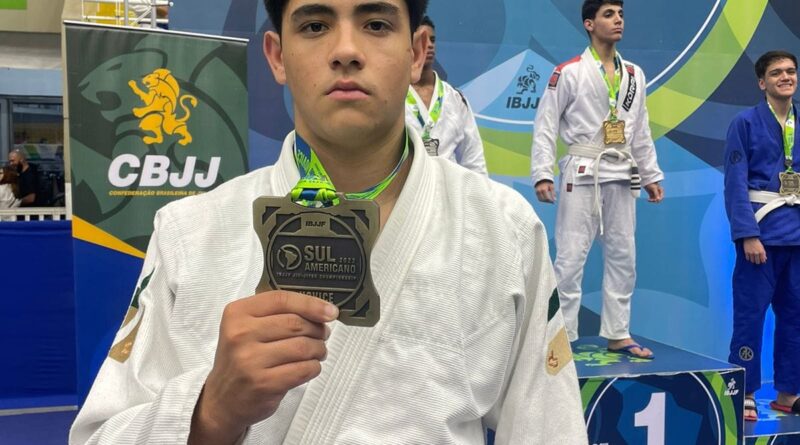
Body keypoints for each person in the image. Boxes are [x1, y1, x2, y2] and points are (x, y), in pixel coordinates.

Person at [70, 0, 587, 444]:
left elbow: (550, 428)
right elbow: (100, 435)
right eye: (315, 25)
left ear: (416, 53)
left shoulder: (502, 230)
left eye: (376, 24)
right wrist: (210, 412)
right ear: (277, 56)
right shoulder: (192, 230)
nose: (346, 50)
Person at [530, 0, 664, 359]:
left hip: (622, 172)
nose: (618, 20)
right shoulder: (568, 72)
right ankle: (561, 336)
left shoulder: (634, 74)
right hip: (583, 171)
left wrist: (650, 173)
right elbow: (546, 124)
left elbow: (641, 130)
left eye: (620, 14)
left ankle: (618, 333)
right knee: (570, 258)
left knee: (624, 256)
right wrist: (542, 173)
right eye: (608, 14)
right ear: (589, 24)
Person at [724, 50, 800, 422]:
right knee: (750, 317)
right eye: (776, 73)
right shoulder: (744, 123)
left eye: (791, 71)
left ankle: (788, 393)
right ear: (761, 82)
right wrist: (747, 234)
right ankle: (746, 390)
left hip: (797, 237)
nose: (785, 77)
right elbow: (735, 183)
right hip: (762, 237)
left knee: (796, 318)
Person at [405, 16, 488, 175]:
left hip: (449, 185)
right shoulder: (394, 96)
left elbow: (474, 158)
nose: (429, 45)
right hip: (408, 183)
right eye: (422, 40)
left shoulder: (455, 98)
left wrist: (479, 189)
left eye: (432, 40)